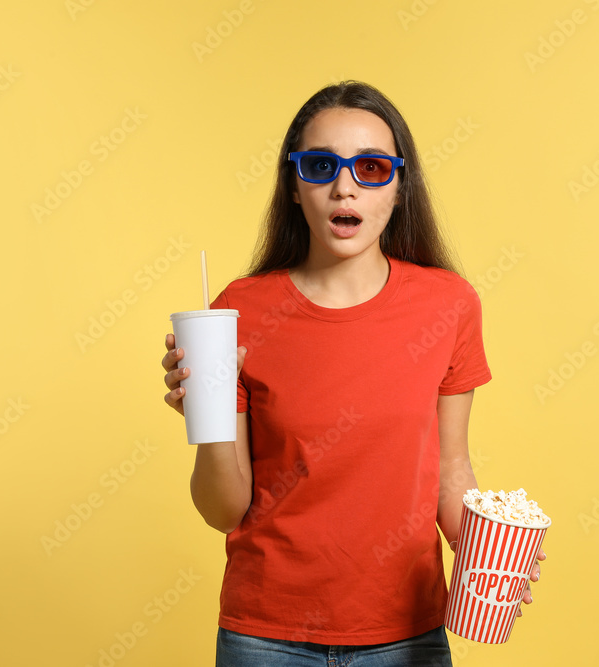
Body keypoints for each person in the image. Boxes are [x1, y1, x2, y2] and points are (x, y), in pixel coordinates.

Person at [161, 80, 545, 666]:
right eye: (320, 166)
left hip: (406, 635)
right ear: (294, 185)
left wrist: (493, 557)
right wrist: (206, 411)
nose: (345, 186)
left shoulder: (448, 305)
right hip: (266, 637)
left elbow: (451, 466)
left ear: (399, 186)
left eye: (371, 167)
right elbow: (224, 511)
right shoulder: (240, 311)